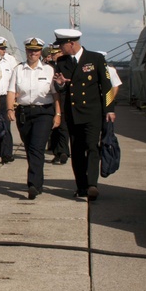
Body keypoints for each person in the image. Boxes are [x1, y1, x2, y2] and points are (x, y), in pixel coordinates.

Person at [51, 29, 115, 201]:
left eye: (62, 45)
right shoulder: (62, 62)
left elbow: (107, 86)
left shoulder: (95, 59)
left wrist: (109, 109)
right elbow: (59, 88)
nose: (60, 49)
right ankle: (81, 186)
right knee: (77, 151)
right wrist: (60, 85)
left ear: (71, 43)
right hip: (73, 113)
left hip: (93, 112)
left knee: (92, 147)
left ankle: (92, 184)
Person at [5, 37, 60, 199]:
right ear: (26, 51)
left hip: (44, 112)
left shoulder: (49, 70)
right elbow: (10, 91)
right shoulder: (18, 69)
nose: (33, 53)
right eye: (30, 50)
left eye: (36, 51)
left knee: (37, 147)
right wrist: (9, 108)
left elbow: (56, 94)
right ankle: (38, 181)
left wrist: (58, 114)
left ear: (40, 52)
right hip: (24, 112)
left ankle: (33, 185)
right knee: (30, 148)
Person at [44, 46, 70, 165]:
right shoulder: (48, 67)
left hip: (63, 100)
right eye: (53, 53)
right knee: (53, 129)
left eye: (56, 53)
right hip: (50, 100)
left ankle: (63, 151)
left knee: (63, 127)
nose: (54, 55)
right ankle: (56, 152)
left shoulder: (66, 65)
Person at [0, 36, 18, 164]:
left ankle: (6, 153)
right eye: (0, 48)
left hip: (4, 97)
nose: (3, 51)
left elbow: (16, 78)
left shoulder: (9, 62)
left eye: (4, 48)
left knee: (6, 126)